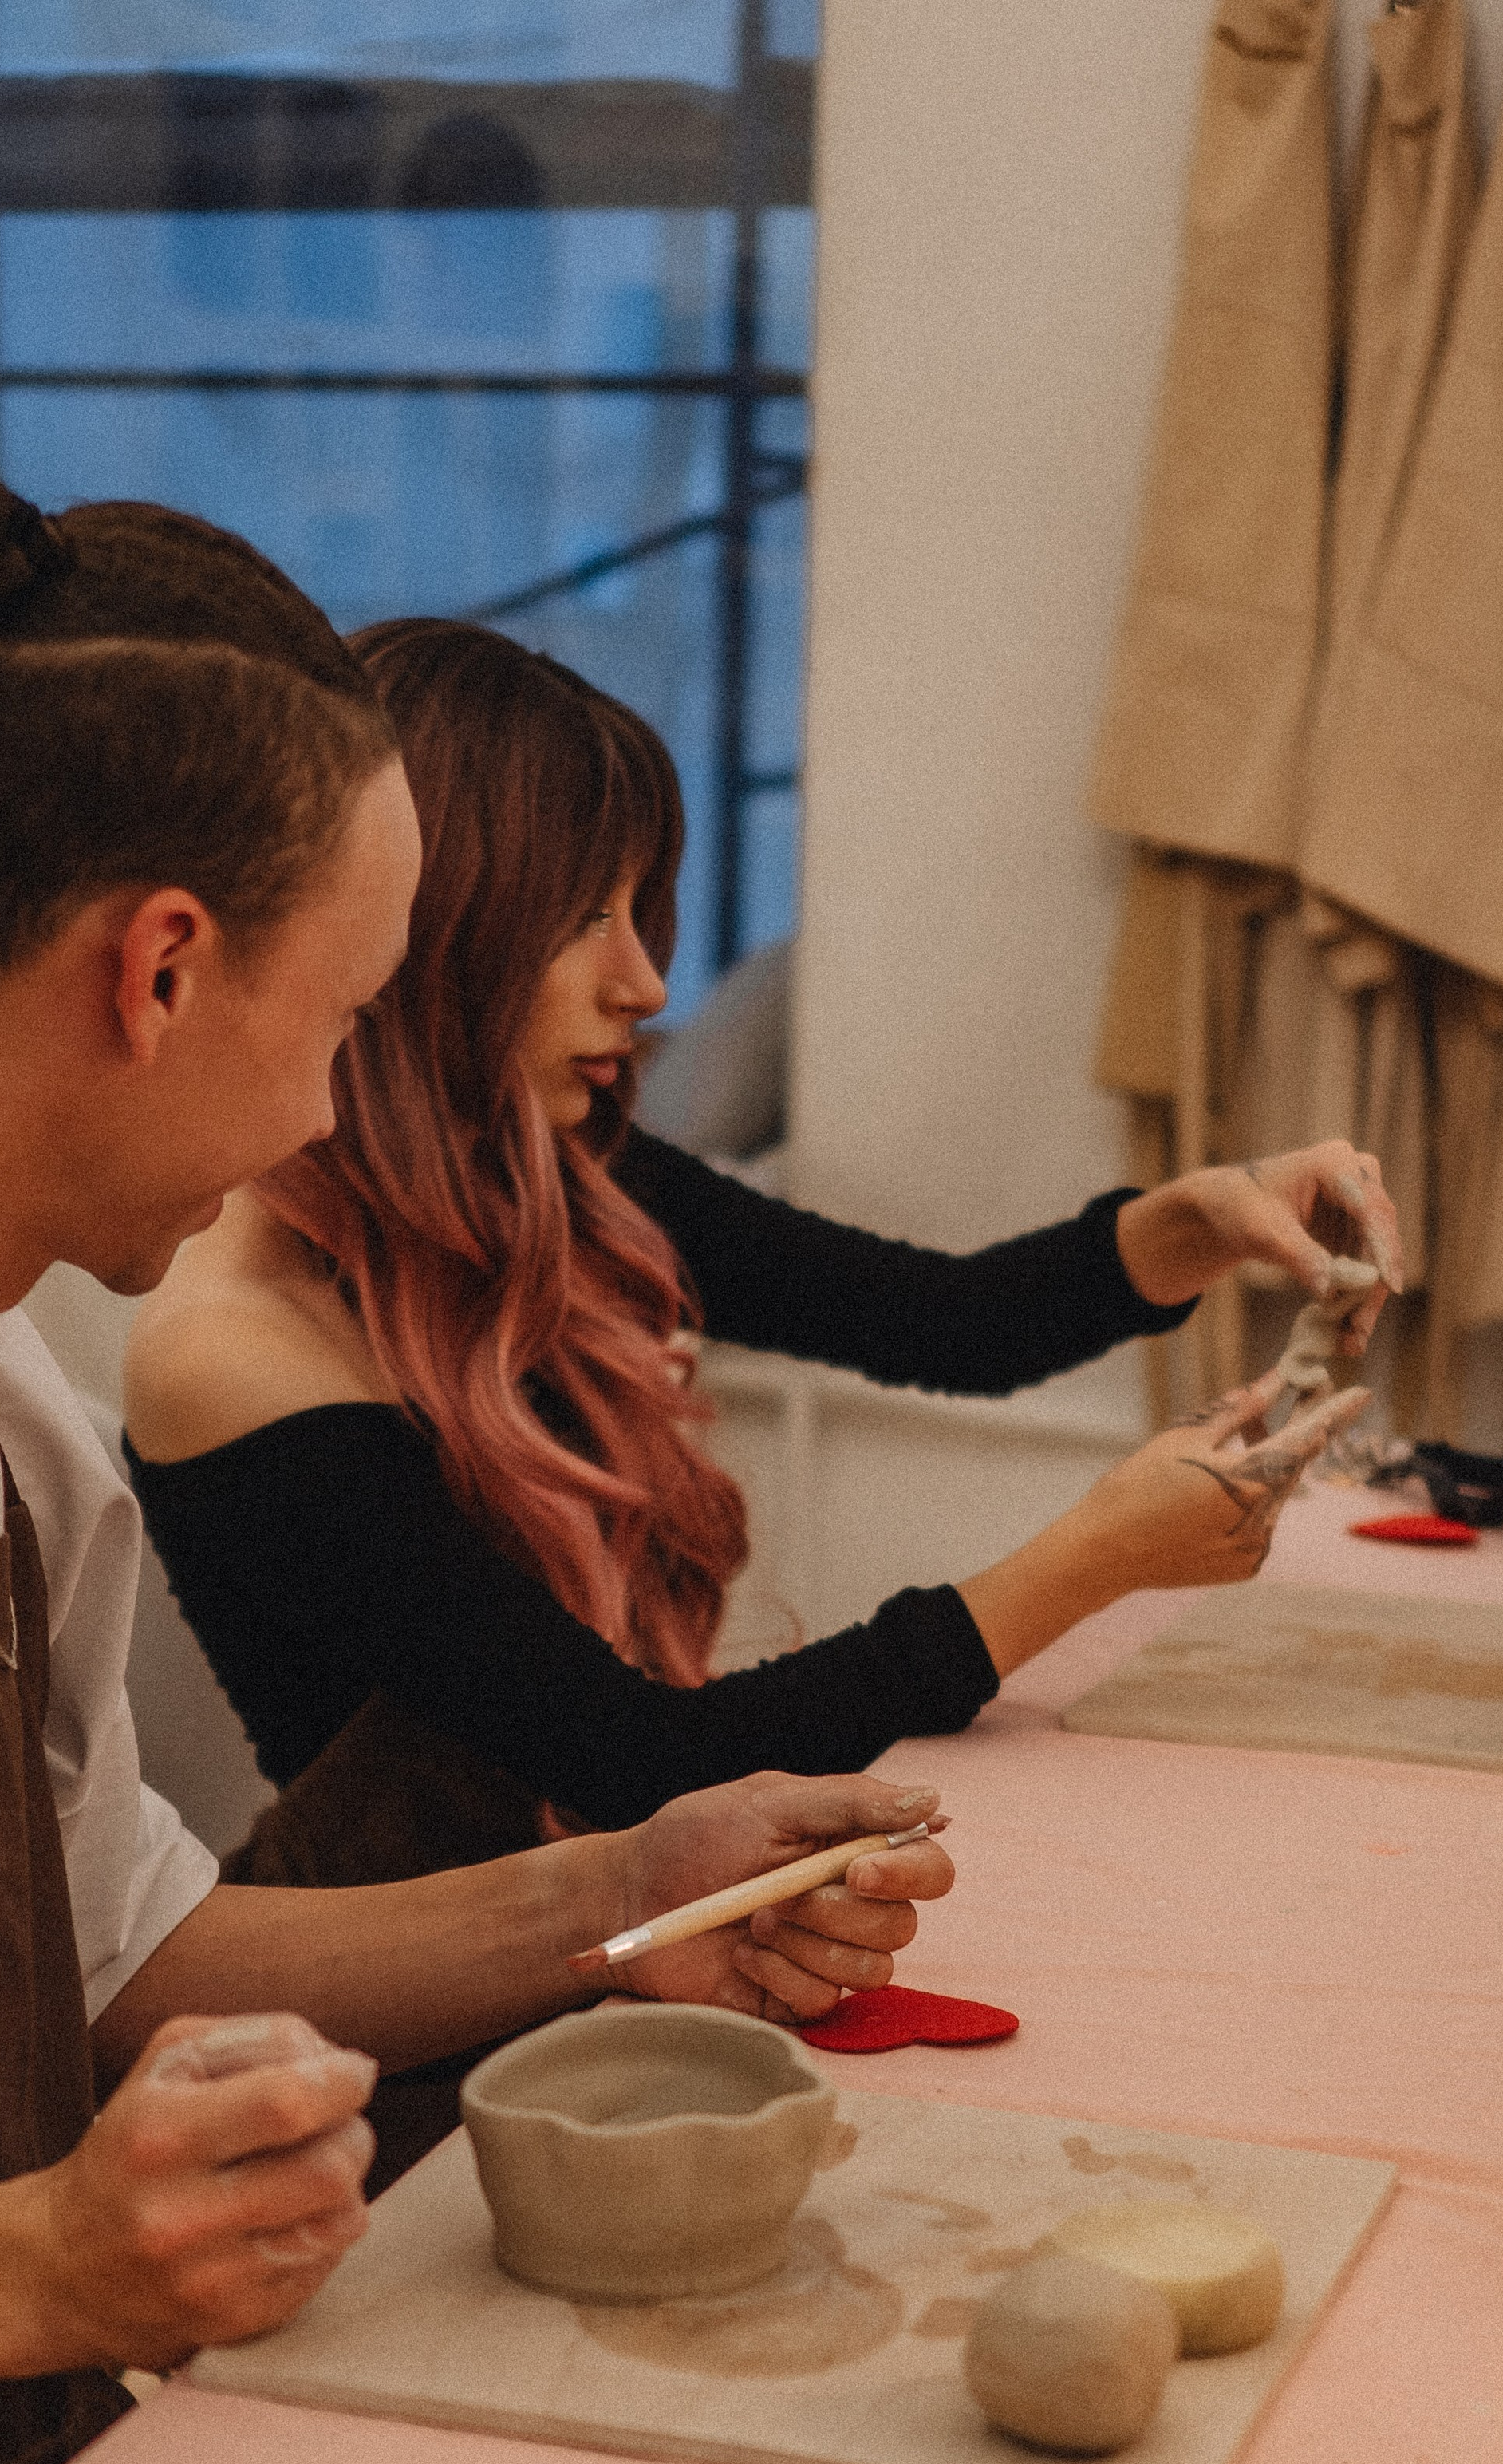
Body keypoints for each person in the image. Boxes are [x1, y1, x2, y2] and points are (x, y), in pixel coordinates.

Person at [0, 478, 950, 2464]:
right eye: (345, 1022)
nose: (335, 1106)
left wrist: (635, 1886)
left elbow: (137, 1952)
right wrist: (38, 2269)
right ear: (160, 969)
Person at [124, 621, 1398, 1901]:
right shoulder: (233, 1352)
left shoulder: (548, 1176)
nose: (645, 981)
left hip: (613, 1934)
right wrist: (1092, 1562)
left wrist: (1194, 1224)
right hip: (395, 2017)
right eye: (583, 917)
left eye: (639, 909)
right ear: (419, 930)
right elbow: (639, 1764)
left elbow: (944, 1323)